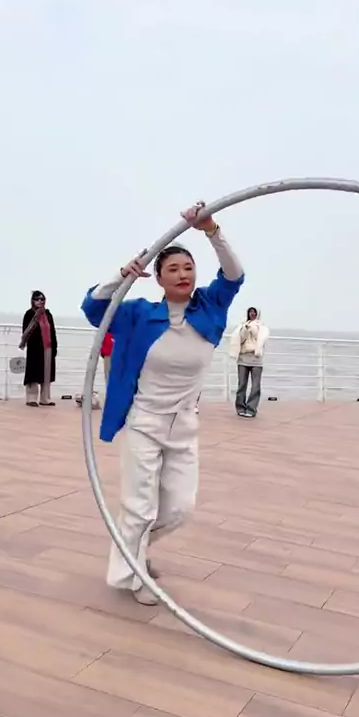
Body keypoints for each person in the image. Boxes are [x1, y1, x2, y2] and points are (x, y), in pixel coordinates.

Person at [81, 202, 244, 605]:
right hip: (145, 422)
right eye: (172, 269)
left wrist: (211, 230)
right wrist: (122, 276)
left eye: (188, 268)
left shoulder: (210, 307)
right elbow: (94, 308)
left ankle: (132, 549)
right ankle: (134, 576)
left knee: (179, 510)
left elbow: (234, 275)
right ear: (158, 278)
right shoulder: (139, 314)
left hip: (184, 424)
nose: (183, 274)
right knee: (139, 507)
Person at [19, 290, 57, 407]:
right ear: (32, 301)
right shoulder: (29, 314)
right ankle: (31, 398)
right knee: (33, 373)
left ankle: (45, 398)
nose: (40, 301)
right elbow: (26, 331)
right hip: (35, 349)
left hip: (48, 347)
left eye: (42, 299)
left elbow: (52, 332)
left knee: (47, 373)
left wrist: (55, 347)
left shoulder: (48, 315)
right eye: (37, 299)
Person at [229, 307, 269, 417]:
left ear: (258, 314)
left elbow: (260, 338)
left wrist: (253, 328)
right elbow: (240, 339)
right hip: (243, 358)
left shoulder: (262, 327)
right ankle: (240, 407)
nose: (252, 314)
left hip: (256, 359)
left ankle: (251, 409)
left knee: (255, 385)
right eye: (250, 312)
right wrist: (246, 329)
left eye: (254, 312)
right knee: (242, 384)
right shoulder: (242, 326)